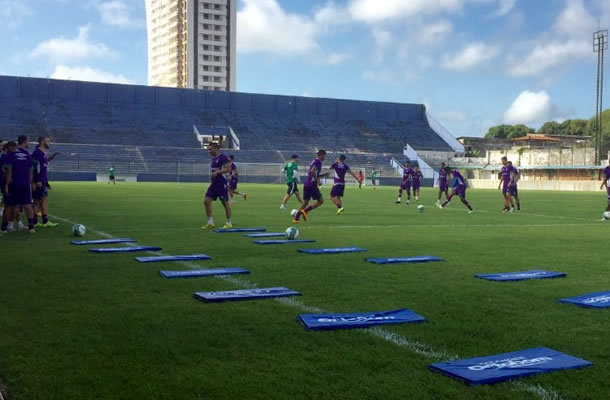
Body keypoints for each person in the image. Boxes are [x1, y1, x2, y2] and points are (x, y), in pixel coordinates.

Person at [1, 141, 37, 234]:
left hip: (13, 185)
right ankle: (31, 228)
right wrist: (29, 183)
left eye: (7, 148)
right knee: (27, 205)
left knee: (9, 206)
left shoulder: (10, 156)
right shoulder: (27, 155)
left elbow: (9, 171)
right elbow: (31, 172)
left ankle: (4, 229)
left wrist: (6, 185)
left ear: (10, 147)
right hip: (25, 185)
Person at [293, 149, 329, 224]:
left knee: (305, 202)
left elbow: (314, 173)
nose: (325, 158)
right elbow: (313, 171)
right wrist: (318, 181)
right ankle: (305, 211)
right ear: (321, 155)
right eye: (324, 156)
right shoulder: (318, 162)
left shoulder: (314, 161)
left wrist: (324, 175)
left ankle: (296, 219)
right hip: (312, 185)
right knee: (320, 201)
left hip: (307, 183)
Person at [202, 143, 232, 229]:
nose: (209, 151)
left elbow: (228, 169)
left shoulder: (223, 158)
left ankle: (229, 222)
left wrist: (217, 172)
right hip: (214, 185)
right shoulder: (213, 160)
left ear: (216, 148)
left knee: (225, 203)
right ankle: (210, 222)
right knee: (206, 201)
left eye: (210, 149)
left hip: (221, 184)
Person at [32, 136, 59, 227]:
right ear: (42, 141)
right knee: (36, 201)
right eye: (48, 141)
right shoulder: (37, 153)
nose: (50, 143)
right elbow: (34, 167)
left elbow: (44, 166)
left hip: (43, 181)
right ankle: (34, 222)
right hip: (39, 181)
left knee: (44, 200)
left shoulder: (44, 153)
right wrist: (37, 180)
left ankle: (45, 221)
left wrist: (46, 183)